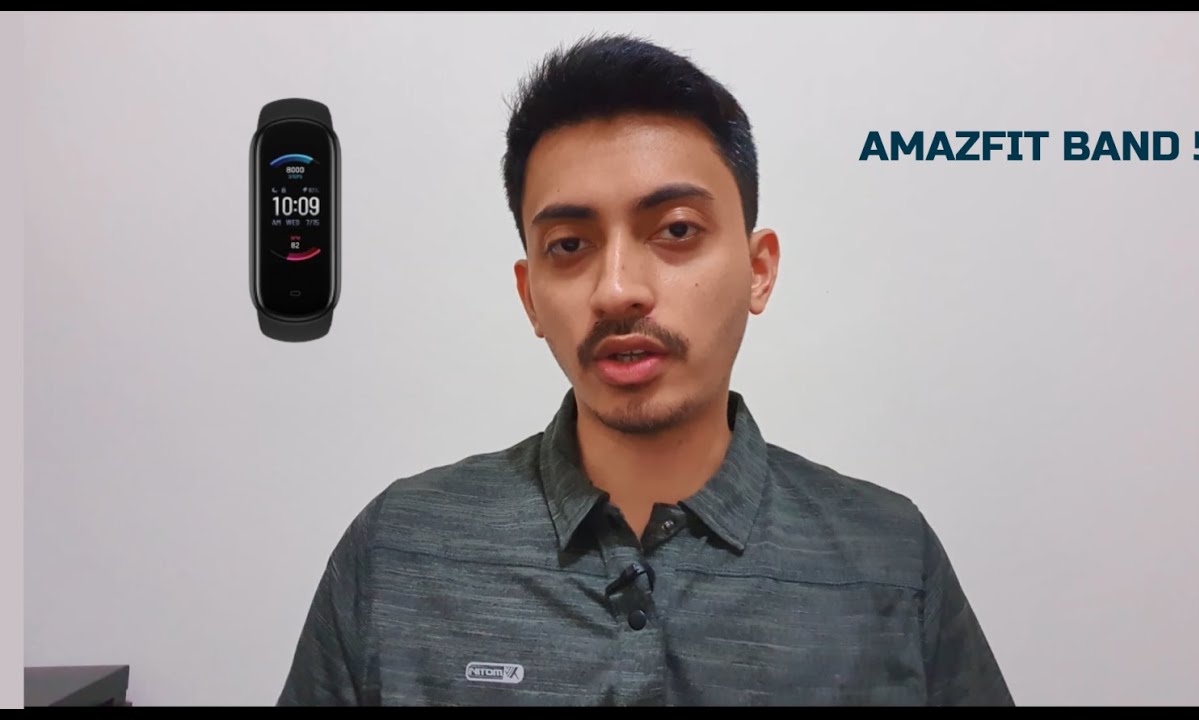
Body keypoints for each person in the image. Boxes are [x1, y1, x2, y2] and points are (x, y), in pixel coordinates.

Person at [276, 32, 1014, 707]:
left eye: (676, 230)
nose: (618, 289)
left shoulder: (889, 560)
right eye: (570, 245)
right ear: (530, 296)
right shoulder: (400, 551)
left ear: (759, 270)